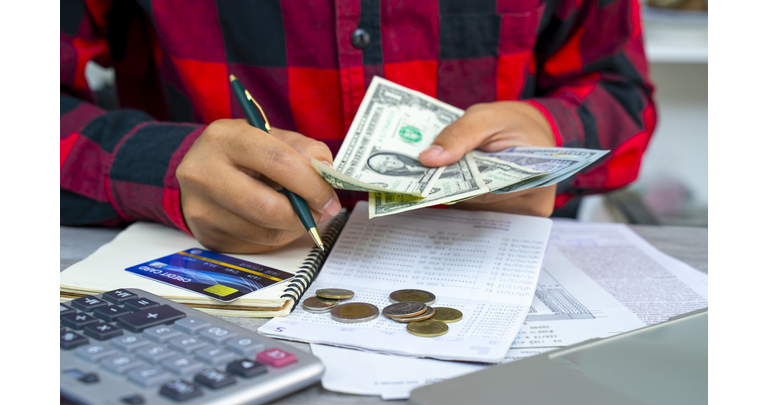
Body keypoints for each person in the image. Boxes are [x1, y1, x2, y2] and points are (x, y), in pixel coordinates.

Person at [60, 0, 656, 254]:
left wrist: (546, 126)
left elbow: (621, 92)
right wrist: (164, 167)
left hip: (502, 278)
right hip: (208, 278)